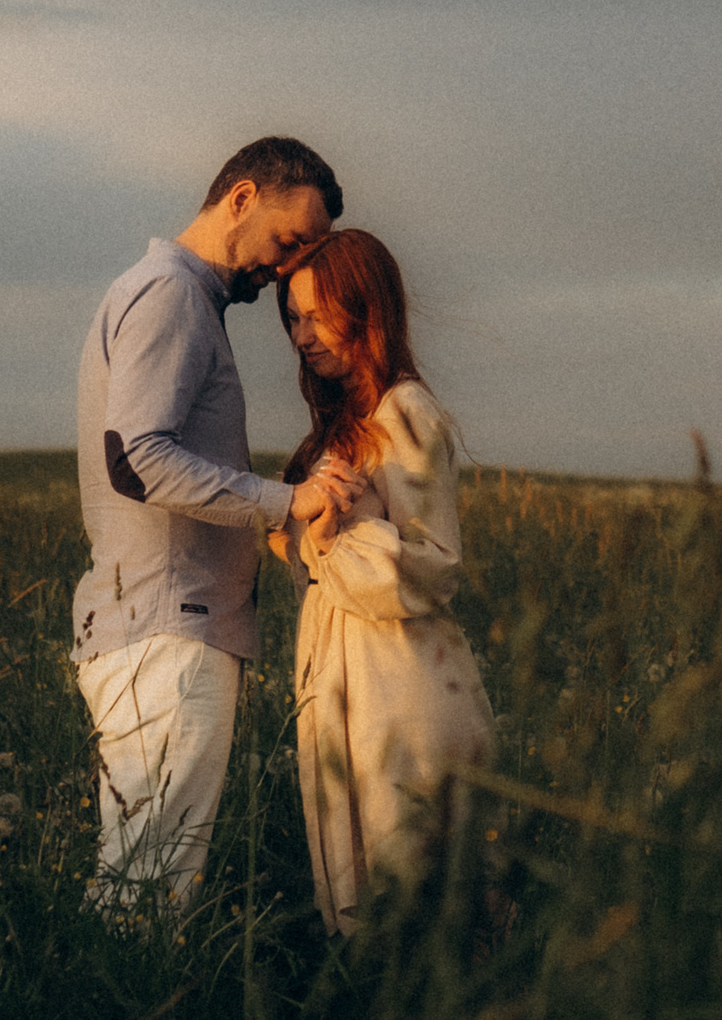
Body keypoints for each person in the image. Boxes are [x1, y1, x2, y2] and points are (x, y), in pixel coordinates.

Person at [71, 135, 365, 914]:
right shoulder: (171, 294)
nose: (285, 267)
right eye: (288, 240)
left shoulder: (175, 296)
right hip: (167, 632)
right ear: (241, 199)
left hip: (160, 624)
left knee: (140, 876)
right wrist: (284, 500)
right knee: (148, 890)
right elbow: (136, 458)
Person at [269, 229, 495, 937]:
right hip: (349, 670)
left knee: (407, 884)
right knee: (370, 882)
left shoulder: (407, 412)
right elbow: (312, 550)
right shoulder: (352, 421)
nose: (301, 337)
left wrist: (329, 537)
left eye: (316, 315)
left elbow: (435, 563)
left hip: (396, 681)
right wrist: (301, 533)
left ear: (365, 309)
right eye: (293, 318)